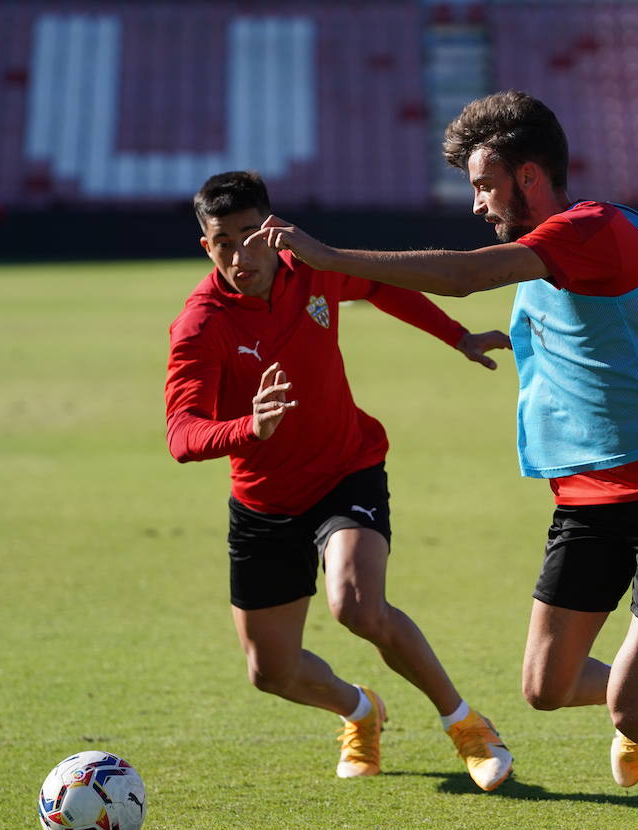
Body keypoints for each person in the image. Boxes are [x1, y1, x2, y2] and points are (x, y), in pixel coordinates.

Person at [250, 92, 638, 830]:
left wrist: (324, 255)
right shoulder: (583, 246)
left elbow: (463, 274)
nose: (478, 203)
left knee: (636, 710)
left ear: (528, 175)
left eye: (484, 184)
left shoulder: (591, 227)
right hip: (584, 499)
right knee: (545, 689)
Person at [165, 171, 515, 791]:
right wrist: (249, 429)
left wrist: (457, 335)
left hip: (344, 468)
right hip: (264, 501)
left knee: (356, 603)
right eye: (223, 241)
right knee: (270, 673)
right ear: (206, 246)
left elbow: (383, 285)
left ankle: (466, 726)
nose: (240, 254)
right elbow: (182, 434)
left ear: (273, 232)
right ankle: (360, 710)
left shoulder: (313, 269)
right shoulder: (201, 324)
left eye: (251, 236)